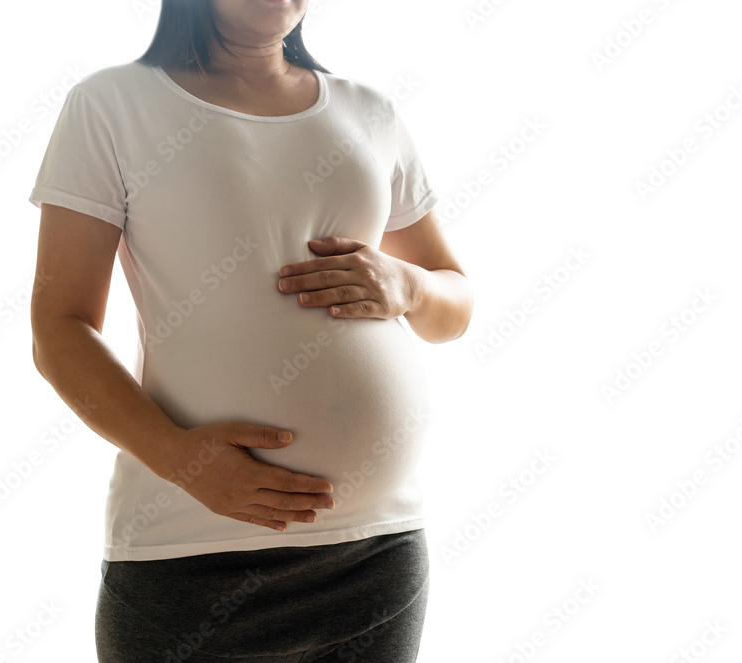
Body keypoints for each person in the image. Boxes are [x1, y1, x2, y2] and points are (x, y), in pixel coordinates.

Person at [27, 1, 473, 661]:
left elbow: (454, 302)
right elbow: (58, 327)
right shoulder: (112, 105)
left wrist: (407, 286)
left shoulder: (369, 112)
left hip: (376, 557)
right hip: (190, 554)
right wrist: (182, 460)